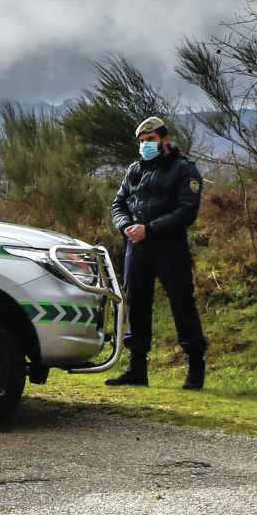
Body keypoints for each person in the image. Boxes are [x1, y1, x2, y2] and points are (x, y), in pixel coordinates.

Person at [105, 116, 206, 390]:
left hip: (170, 248)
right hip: (136, 247)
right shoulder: (134, 170)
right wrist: (126, 226)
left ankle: (195, 370)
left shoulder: (184, 170)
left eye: (149, 140)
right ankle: (137, 369)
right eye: (141, 141)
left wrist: (150, 229)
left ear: (165, 140)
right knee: (136, 305)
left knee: (182, 306)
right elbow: (118, 204)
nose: (145, 145)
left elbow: (186, 211)